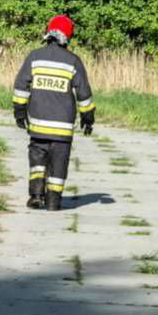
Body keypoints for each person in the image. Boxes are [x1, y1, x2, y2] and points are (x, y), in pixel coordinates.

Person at [12, 14, 95, 211]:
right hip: (63, 129)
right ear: (67, 37)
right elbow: (83, 92)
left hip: (39, 124)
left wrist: (19, 111)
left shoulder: (34, 57)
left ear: (48, 33)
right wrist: (88, 116)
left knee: (37, 160)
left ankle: (36, 194)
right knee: (59, 163)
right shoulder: (73, 61)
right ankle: (53, 201)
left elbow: (21, 85)